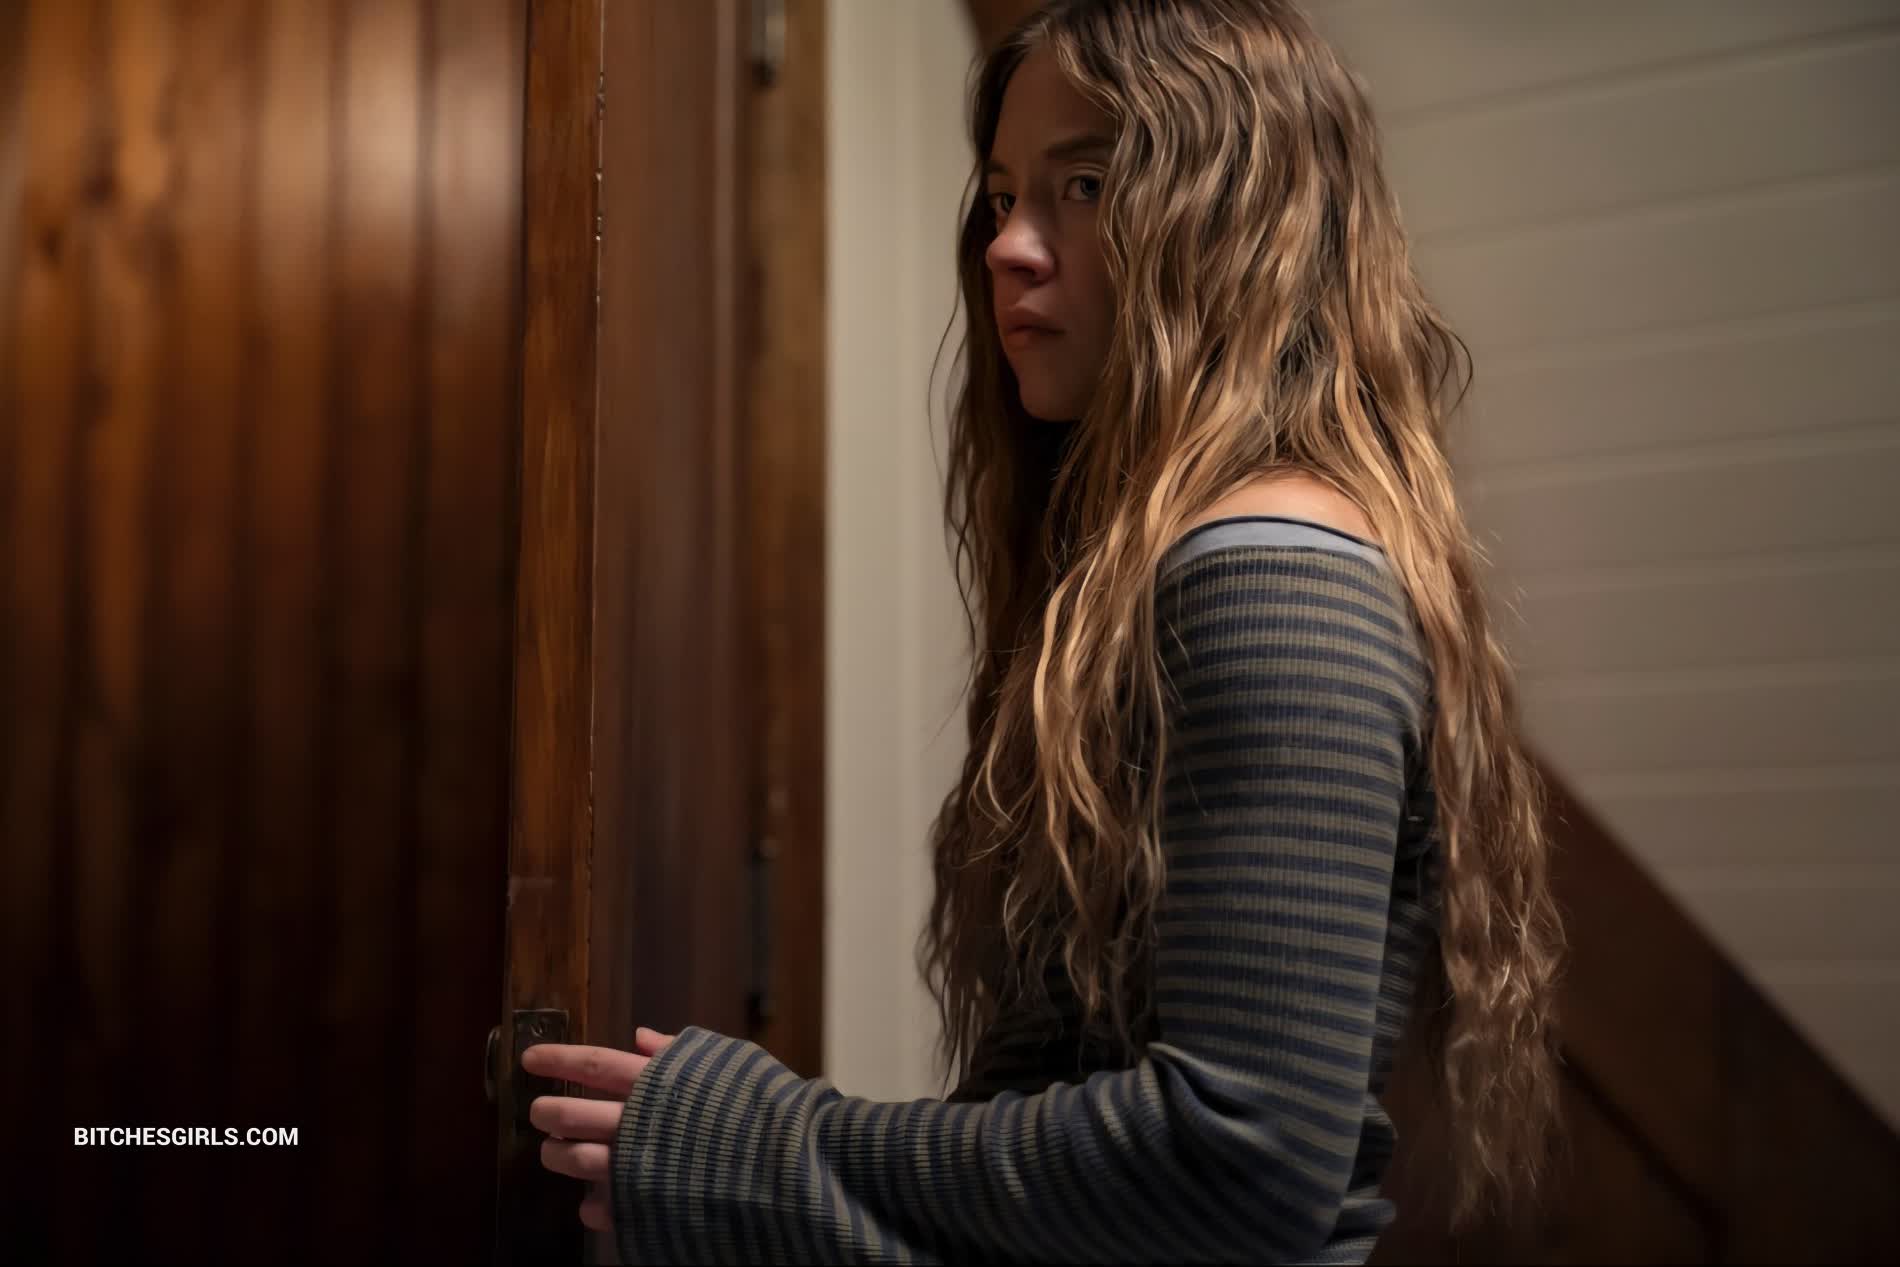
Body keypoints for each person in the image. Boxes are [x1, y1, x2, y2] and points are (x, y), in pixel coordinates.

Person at [522, 1, 1564, 1261]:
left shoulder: (1273, 580)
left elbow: (1238, 1163)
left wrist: (770, 1139)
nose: (1010, 247)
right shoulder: (1175, 562)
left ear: (1238, 222)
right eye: (1003, 194)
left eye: (1085, 185)